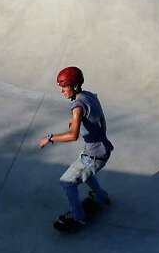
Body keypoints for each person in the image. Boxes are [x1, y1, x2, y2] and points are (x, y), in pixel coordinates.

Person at [37, 66, 114, 232]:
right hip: (102, 149)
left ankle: (78, 216)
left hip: (93, 156)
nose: (62, 91)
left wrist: (50, 138)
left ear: (74, 86)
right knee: (85, 174)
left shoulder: (77, 107)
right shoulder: (90, 96)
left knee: (66, 182)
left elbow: (73, 135)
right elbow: (96, 118)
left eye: (64, 87)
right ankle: (101, 196)